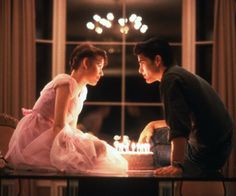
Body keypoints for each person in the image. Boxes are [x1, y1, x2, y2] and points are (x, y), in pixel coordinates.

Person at [5, 44, 127, 173]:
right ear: (85, 63)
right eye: (99, 66)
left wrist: (78, 144)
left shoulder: (82, 91)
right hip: (39, 134)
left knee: (99, 150)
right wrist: (70, 150)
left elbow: (71, 127)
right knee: (93, 152)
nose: (101, 73)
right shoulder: (66, 82)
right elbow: (59, 125)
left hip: (58, 132)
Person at [134, 37, 233, 177]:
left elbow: (179, 127)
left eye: (141, 63)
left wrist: (177, 165)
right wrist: (152, 124)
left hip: (206, 152)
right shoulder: (178, 73)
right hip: (221, 144)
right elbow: (185, 118)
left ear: (157, 60)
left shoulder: (170, 80)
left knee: (150, 150)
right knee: (154, 134)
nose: (139, 70)